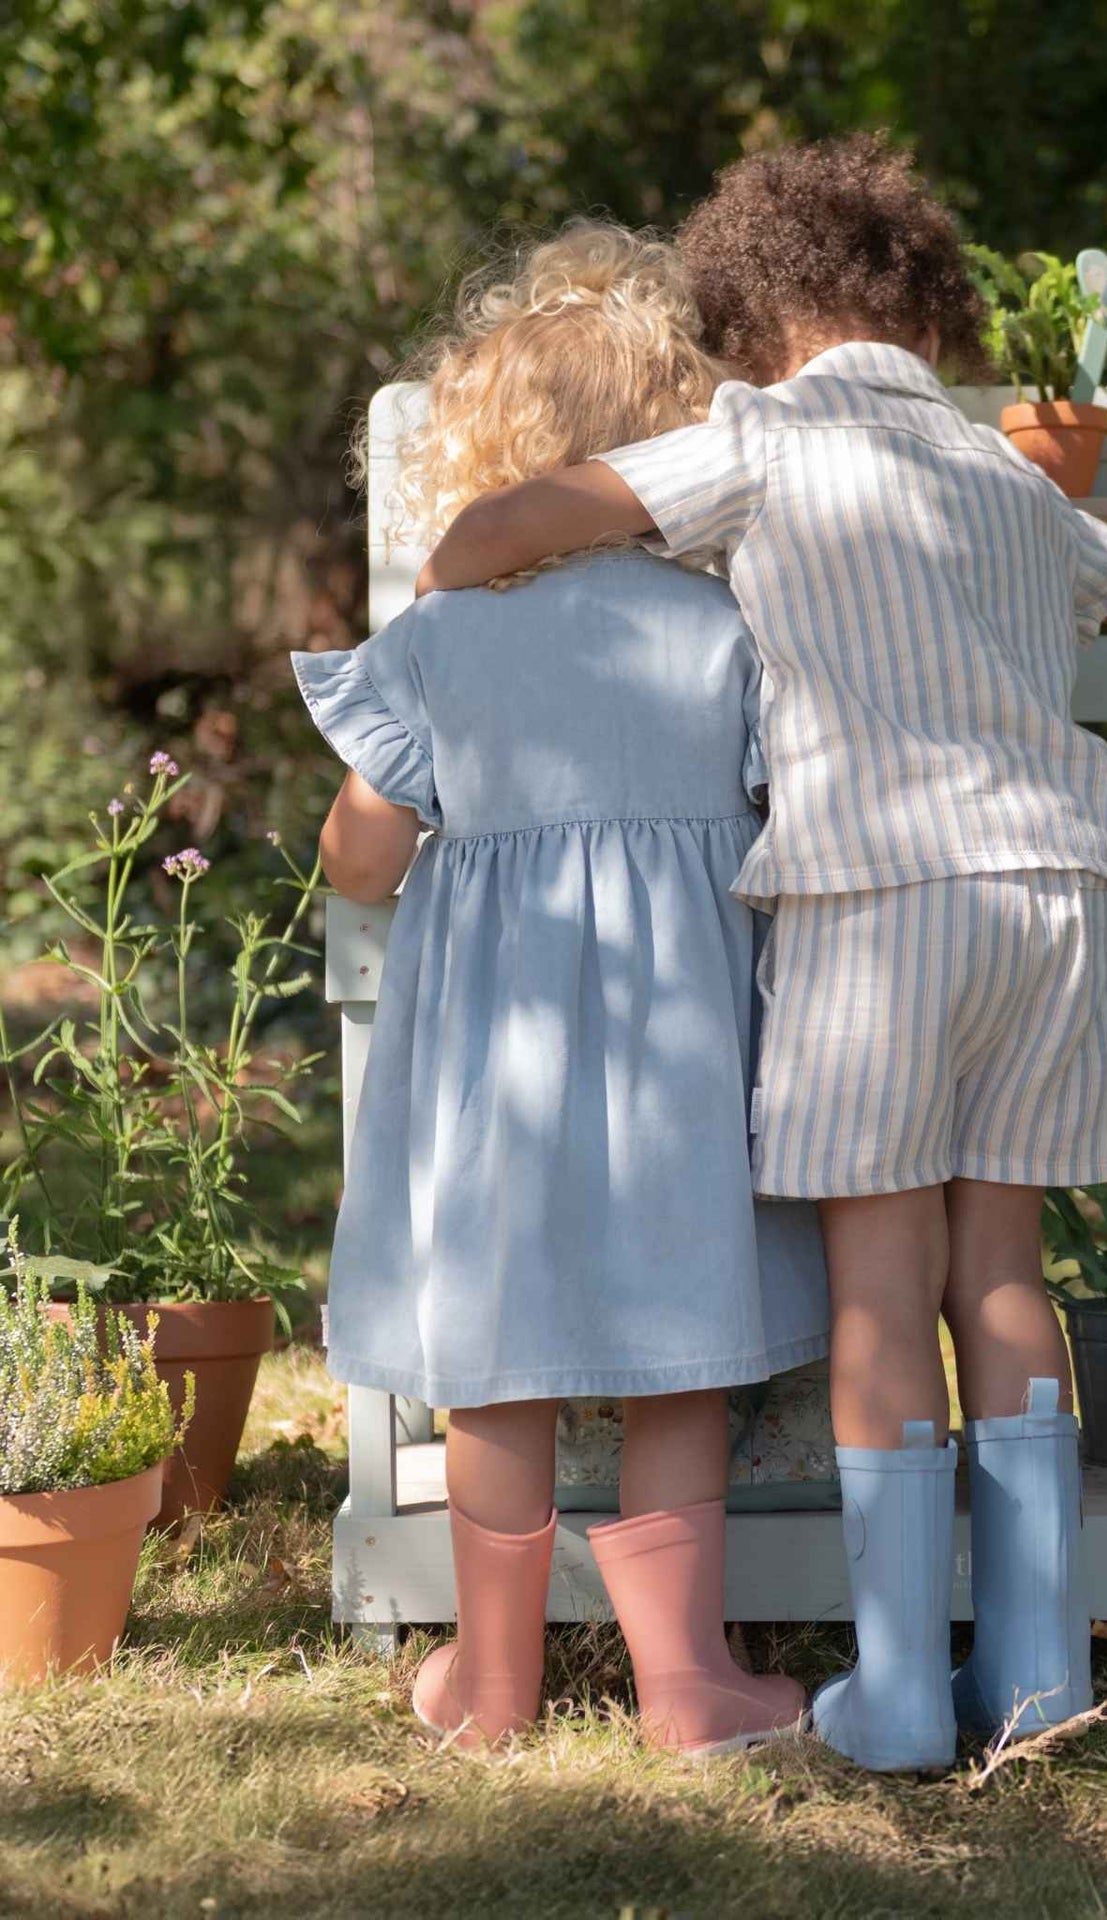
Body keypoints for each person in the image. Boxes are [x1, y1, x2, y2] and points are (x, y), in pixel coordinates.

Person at [417, 138, 1107, 1773]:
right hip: (1060, 900)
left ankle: (895, 1693)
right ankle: (1031, 1679)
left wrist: (482, 563)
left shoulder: (749, 439)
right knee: (1003, 1277)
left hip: (881, 902)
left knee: (887, 1287)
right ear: (932, 318)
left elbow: (503, 528)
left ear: (748, 323)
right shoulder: (1017, 479)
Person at [298, 220, 828, 1756]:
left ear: (484, 449)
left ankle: (494, 1686)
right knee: (683, 1362)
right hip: (678, 1060)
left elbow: (361, 868)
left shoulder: (446, 641)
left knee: (497, 1373)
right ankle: (688, 1686)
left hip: (493, 1076)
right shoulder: (727, 631)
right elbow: (795, 811)